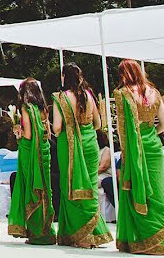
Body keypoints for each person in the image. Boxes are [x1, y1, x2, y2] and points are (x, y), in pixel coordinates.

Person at [114, 59, 164, 255]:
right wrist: (151, 133)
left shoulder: (122, 93)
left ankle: (141, 240)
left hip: (134, 149)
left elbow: (123, 131)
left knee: (136, 190)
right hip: (153, 147)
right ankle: (160, 241)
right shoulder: (155, 93)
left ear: (123, 74)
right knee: (156, 192)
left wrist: (128, 150)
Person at [52, 63, 112, 248]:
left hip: (68, 145)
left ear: (64, 77)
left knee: (71, 186)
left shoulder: (60, 98)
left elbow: (57, 126)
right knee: (90, 186)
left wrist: (60, 133)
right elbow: (98, 123)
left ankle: (77, 235)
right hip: (90, 143)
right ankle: (94, 232)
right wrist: (84, 132)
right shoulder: (88, 95)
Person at [8, 78, 56, 244]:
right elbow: (48, 133)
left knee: (31, 188)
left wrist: (17, 132)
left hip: (30, 152)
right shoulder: (43, 109)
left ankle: (36, 232)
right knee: (45, 189)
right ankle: (46, 230)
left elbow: (27, 135)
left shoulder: (26, 108)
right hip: (44, 150)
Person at [97, 130, 115, 211]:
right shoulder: (95, 151)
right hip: (96, 174)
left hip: (104, 175)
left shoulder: (106, 150)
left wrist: (90, 175)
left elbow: (104, 167)